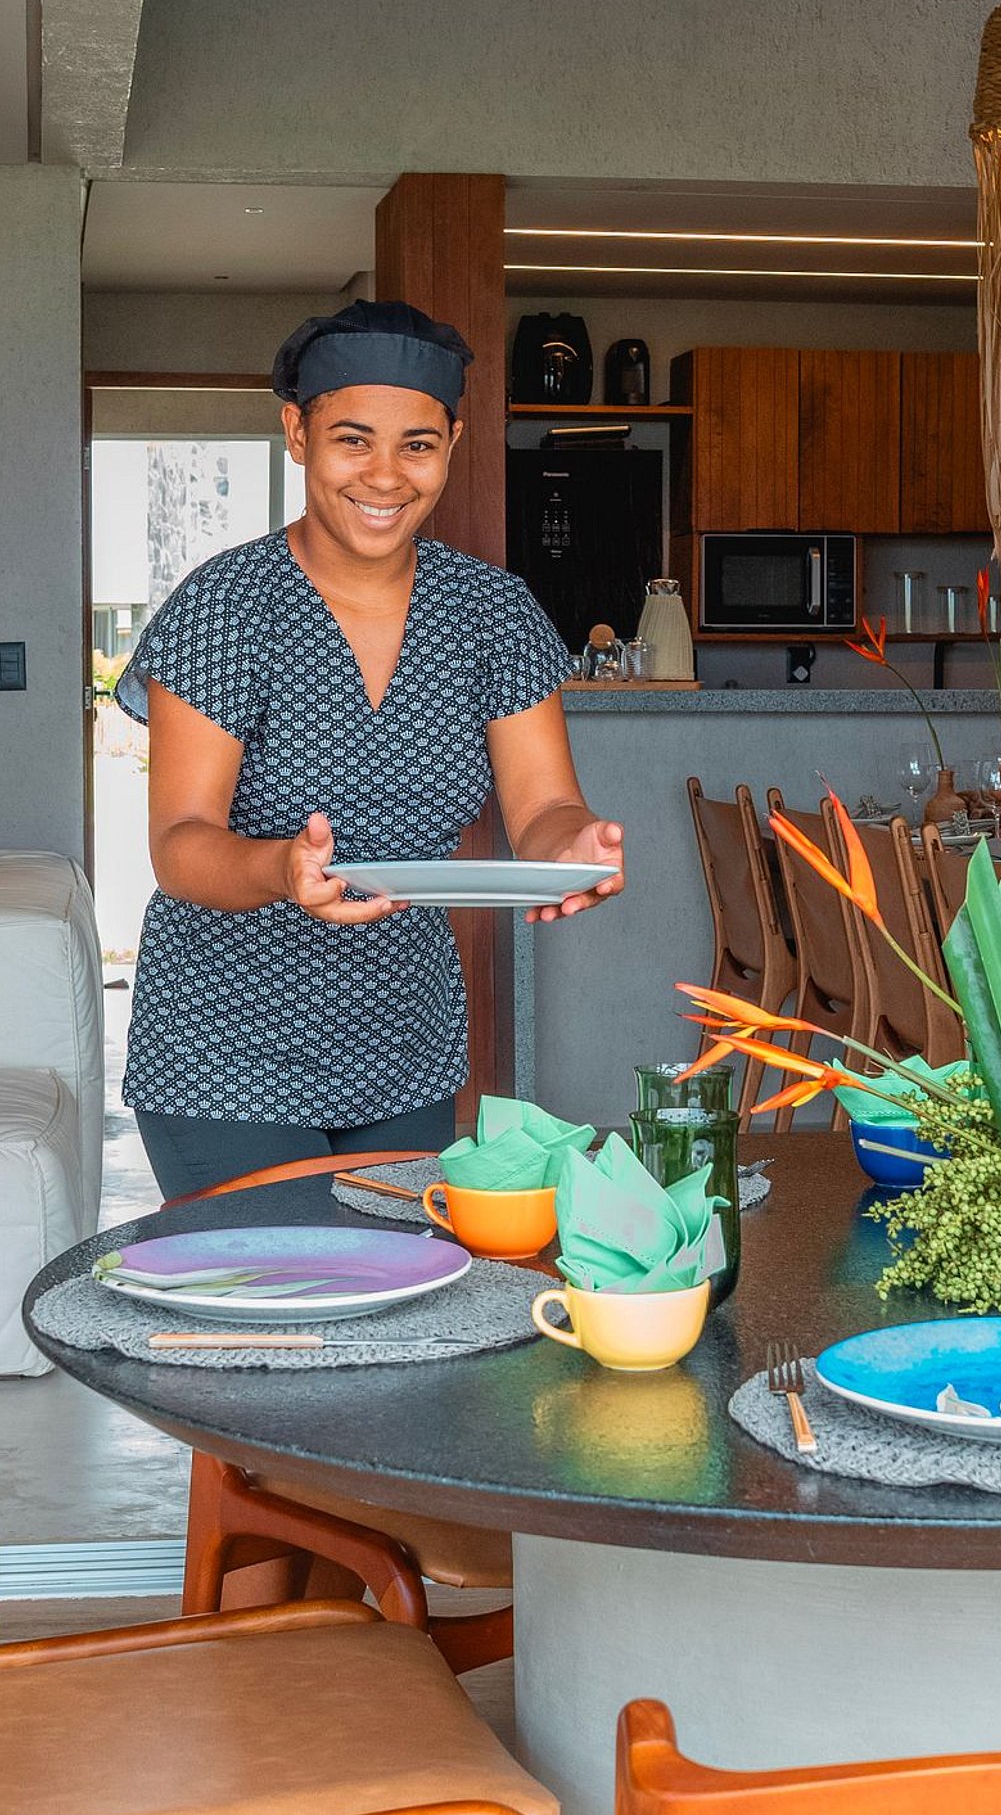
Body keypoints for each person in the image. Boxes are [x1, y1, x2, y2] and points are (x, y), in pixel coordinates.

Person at [115, 296, 623, 1199]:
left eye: (416, 445)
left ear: (452, 443)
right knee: (279, 1279)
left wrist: (571, 848)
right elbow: (180, 843)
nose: (386, 475)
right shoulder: (226, 609)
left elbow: (544, 804)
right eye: (353, 440)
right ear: (297, 433)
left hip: (402, 1048)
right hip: (224, 1053)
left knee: (400, 1282)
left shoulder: (494, 614)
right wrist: (281, 870)